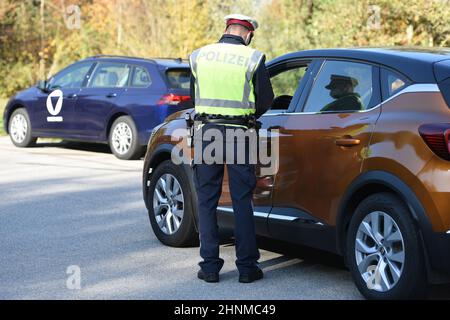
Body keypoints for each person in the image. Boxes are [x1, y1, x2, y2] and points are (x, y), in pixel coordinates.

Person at [189, 14, 274, 283]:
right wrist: (246, 115)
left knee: (207, 201)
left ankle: (210, 267)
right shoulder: (253, 57)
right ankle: (247, 269)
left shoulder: (199, 56)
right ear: (248, 34)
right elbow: (266, 101)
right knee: (241, 200)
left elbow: (195, 96)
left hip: (206, 132)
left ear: (226, 29)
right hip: (240, 133)